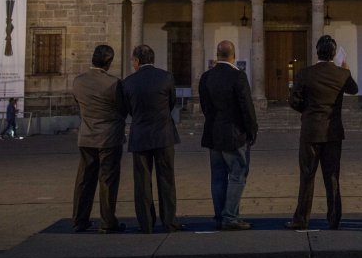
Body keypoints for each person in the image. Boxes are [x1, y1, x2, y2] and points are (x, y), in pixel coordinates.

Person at [285, 35, 359, 230]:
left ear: (317, 51)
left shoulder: (305, 73)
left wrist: (308, 111)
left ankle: (301, 219)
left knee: (307, 176)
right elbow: (354, 89)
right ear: (334, 54)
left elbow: (293, 101)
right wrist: (346, 69)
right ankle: (334, 218)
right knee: (332, 176)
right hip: (333, 132)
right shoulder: (341, 74)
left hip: (310, 131)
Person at [122, 44, 183, 233]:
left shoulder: (128, 82)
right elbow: (171, 103)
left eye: (133, 60)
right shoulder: (166, 77)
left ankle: (146, 224)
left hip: (140, 135)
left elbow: (128, 108)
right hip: (164, 134)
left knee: (142, 181)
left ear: (137, 61)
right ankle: (169, 221)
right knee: (166, 179)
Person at [198, 40, 258, 231]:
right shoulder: (238, 76)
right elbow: (246, 108)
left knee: (217, 176)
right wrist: (252, 130)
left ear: (217, 54)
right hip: (234, 135)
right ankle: (230, 216)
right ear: (234, 55)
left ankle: (220, 215)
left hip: (213, 134)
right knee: (238, 174)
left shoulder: (206, 77)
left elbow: (205, 107)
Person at [70, 44, 127, 233]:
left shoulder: (78, 81)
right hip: (109, 137)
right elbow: (122, 108)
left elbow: (79, 104)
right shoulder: (113, 83)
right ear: (109, 62)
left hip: (86, 136)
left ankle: (79, 220)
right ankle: (108, 221)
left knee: (84, 179)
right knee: (108, 180)